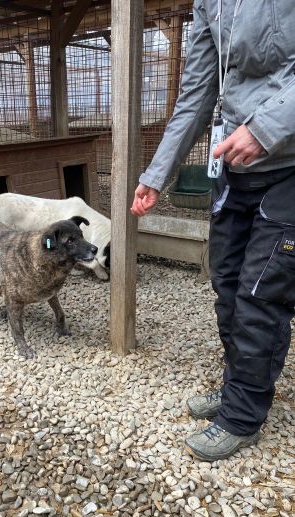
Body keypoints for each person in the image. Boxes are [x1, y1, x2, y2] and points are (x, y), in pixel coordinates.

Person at [131, 0, 295, 461]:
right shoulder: (209, 4)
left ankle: (243, 417)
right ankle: (236, 386)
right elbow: (198, 92)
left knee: (261, 295)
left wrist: (265, 127)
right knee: (225, 284)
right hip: (233, 170)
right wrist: (157, 174)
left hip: (287, 165)